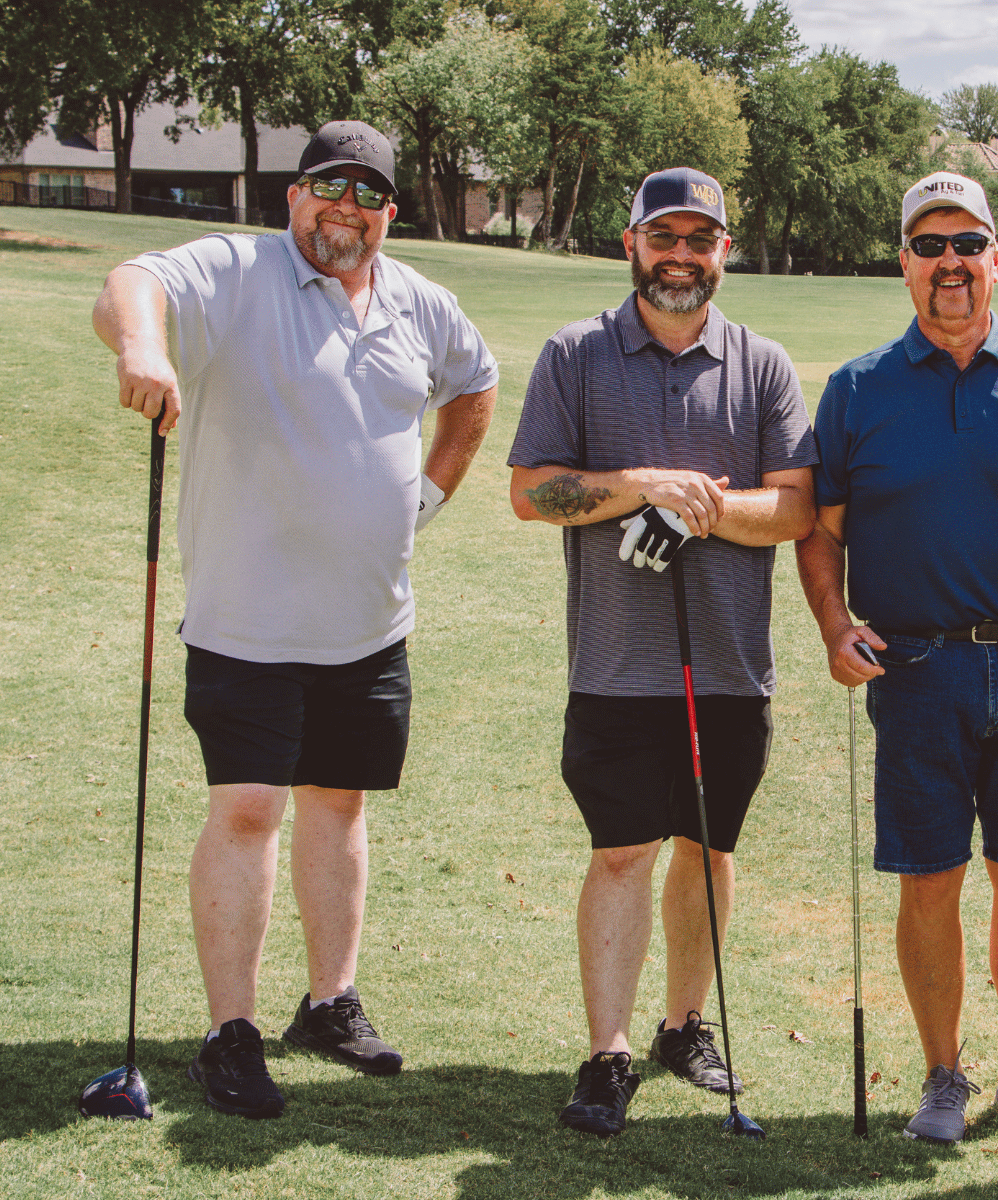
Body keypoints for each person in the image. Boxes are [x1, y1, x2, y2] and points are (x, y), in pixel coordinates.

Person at [91, 120, 500, 1119]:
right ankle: (229, 1034)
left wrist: (431, 498)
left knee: (340, 805)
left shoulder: (420, 303)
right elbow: (131, 282)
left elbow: (476, 390)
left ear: (390, 212)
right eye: (328, 187)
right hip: (247, 624)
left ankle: (329, 1002)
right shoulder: (237, 268)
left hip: (368, 624)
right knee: (248, 812)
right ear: (293, 195)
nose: (344, 210)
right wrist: (145, 347)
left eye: (367, 194)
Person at [796, 172, 998, 1155]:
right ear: (903, 262)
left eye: (967, 244)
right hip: (916, 670)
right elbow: (822, 533)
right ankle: (943, 1072)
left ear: (997, 259)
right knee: (928, 879)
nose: (950, 264)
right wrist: (832, 626)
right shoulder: (857, 389)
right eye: (929, 246)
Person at [507, 167, 817, 1138]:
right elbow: (531, 490)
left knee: (708, 848)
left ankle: (684, 1026)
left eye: (700, 239)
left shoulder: (761, 365)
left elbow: (797, 508)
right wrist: (644, 485)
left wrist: (705, 508)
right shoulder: (577, 355)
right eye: (663, 237)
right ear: (631, 244)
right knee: (622, 851)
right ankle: (606, 1053)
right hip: (615, 665)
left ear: (724, 250)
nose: (680, 256)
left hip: (730, 665)